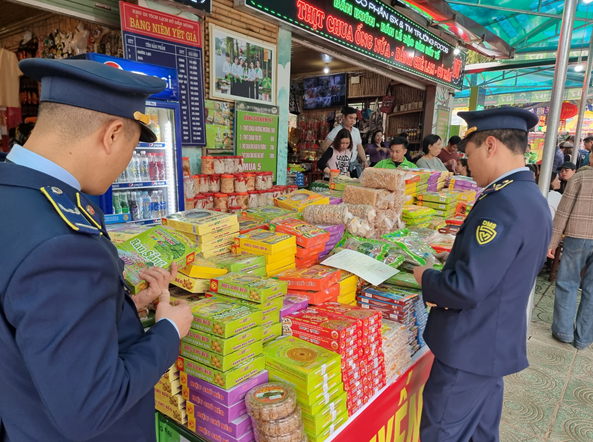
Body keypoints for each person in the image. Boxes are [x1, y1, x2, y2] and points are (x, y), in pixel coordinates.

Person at [0, 58, 194, 441]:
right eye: (133, 148)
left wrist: (118, 308)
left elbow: (31, 324)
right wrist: (169, 331)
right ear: (112, 134)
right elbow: (92, 407)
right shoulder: (63, 244)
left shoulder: (12, 191)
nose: (125, 166)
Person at [413, 108, 551, 442]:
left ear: (490, 145)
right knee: (480, 433)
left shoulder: (502, 202)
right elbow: (504, 269)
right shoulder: (530, 197)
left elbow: (465, 288)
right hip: (492, 346)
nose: (463, 162)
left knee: (442, 433)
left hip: (469, 347)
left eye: (468, 153)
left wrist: (426, 277)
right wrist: (458, 256)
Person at [321, 106, 368, 177]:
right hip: (338, 167)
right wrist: (332, 160)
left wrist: (364, 161)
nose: (353, 121)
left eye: (354, 118)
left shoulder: (356, 131)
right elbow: (324, 147)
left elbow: (359, 147)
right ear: (344, 116)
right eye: (350, 118)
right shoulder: (336, 131)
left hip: (352, 166)